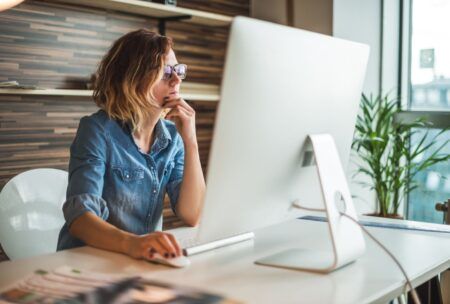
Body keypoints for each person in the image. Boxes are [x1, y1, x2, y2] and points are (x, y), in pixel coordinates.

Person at [57, 29, 206, 261]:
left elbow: (192, 214)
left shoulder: (173, 137)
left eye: (178, 70)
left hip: (140, 260)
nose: (176, 79)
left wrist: (191, 141)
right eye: (166, 72)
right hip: (89, 260)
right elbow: (80, 218)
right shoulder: (96, 130)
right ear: (133, 78)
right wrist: (133, 244)